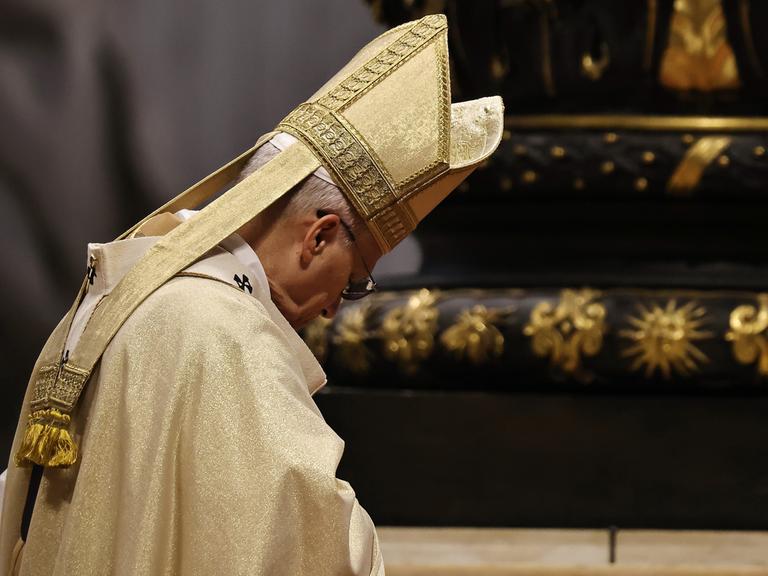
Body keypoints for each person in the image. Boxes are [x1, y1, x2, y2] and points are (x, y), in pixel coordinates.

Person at [0, 14, 502, 576]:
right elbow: (305, 531)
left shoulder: (120, 297)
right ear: (319, 236)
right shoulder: (231, 338)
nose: (338, 304)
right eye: (357, 277)